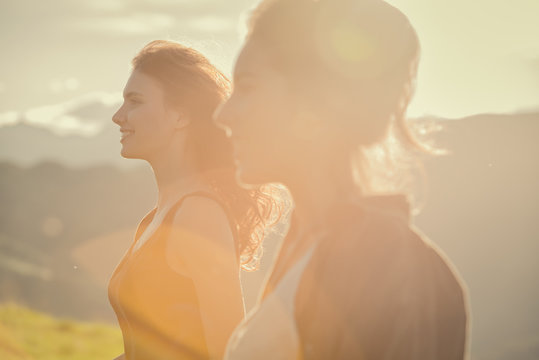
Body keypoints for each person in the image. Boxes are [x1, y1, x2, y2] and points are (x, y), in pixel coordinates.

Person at [215, 0, 469, 358]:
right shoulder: (305, 244)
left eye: (248, 87)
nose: (223, 115)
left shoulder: (394, 265)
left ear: (315, 105)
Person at [108, 40, 277, 360]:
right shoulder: (155, 218)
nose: (119, 116)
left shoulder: (199, 214)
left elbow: (227, 350)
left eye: (135, 101)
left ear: (181, 117)